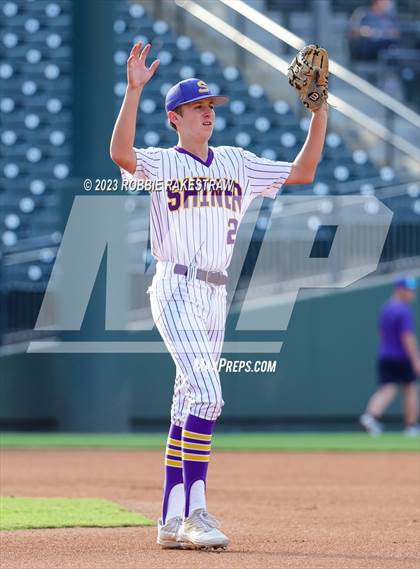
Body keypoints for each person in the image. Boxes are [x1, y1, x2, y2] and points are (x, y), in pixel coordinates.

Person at [110, 42, 328, 550]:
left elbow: (303, 171)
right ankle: (197, 514)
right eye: (199, 107)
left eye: (213, 106)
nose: (209, 112)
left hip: (215, 294)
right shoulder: (163, 164)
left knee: (186, 400)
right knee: (208, 394)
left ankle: (169, 520)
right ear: (176, 117)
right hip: (176, 283)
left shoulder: (237, 162)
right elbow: (120, 155)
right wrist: (133, 90)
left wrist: (319, 112)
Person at [360, 276, 420, 437]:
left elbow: (381, 333)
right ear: (400, 290)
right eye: (409, 290)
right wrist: (416, 359)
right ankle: (411, 427)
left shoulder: (386, 308)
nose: (412, 293)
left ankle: (370, 417)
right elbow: (407, 337)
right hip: (402, 357)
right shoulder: (403, 310)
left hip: (385, 355)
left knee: (388, 388)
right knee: (411, 390)